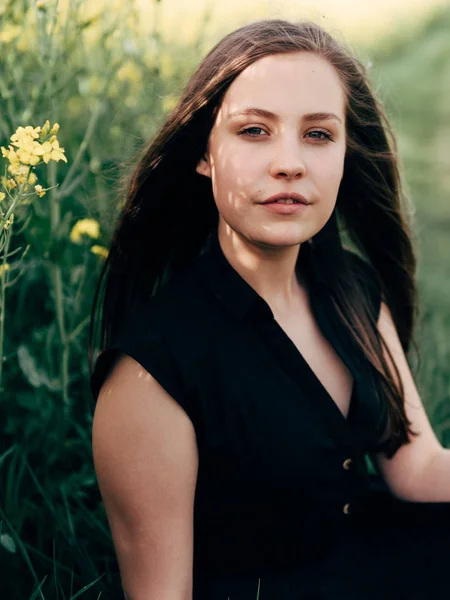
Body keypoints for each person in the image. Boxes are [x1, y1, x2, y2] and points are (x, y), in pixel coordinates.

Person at [88, 19, 450, 600]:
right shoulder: (154, 372)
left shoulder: (351, 288)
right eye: (254, 130)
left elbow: (419, 469)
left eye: (318, 135)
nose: (289, 163)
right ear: (204, 153)